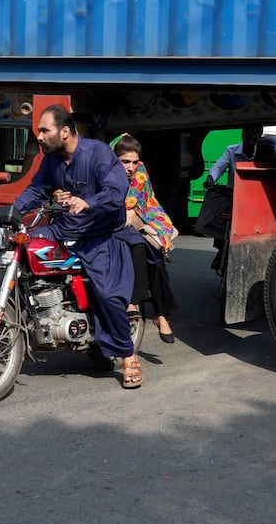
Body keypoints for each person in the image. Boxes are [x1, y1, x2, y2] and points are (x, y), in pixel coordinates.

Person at [13, 105, 143, 388]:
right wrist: (10, 211)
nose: (40, 136)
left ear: (65, 131)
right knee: (22, 250)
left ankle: (128, 355)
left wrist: (89, 202)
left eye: (44, 131)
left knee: (108, 295)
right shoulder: (51, 161)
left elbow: (115, 191)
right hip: (64, 229)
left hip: (100, 235)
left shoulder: (99, 154)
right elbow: (36, 190)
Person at [112, 134, 180, 344]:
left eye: (134, 161)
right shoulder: (104, 173)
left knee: (156, 262)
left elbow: (131, 202)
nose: (131, 167)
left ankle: (161, 315)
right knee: (139, 249)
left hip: (145, 221)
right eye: (125, 162)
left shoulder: (139, 173)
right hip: (119, 226)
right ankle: (138, 304)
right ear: (114, 159)